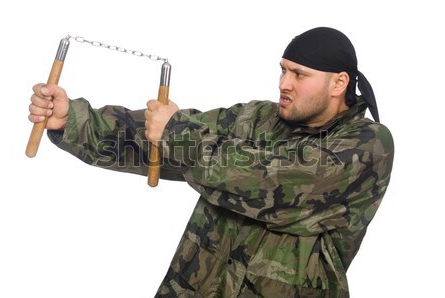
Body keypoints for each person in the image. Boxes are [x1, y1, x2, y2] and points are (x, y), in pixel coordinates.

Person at [28, 27, 394, 297]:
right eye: (283, 70)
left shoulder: (367, 145)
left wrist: (176, 134)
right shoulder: (260, 118)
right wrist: (73, 120)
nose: (285, 83)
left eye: (300, 75)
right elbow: (159, 143)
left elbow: (272, 183)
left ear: (338, 83)